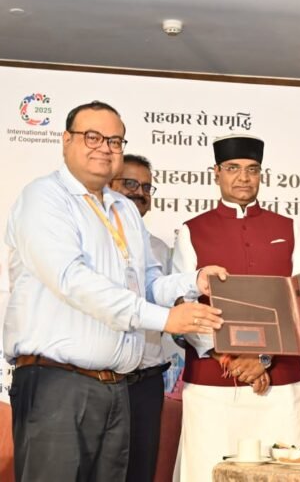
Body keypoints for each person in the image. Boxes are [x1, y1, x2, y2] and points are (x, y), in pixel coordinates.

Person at [3, 100, 225, 482]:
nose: (104, 148)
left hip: (115, 388)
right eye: (92, 137)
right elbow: (73, 281)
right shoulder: (44, 198)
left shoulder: (123, 209)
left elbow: (148, 284)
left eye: (115, 141)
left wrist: (194, 281)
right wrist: (166, 319)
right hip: (58, 384)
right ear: (66, 140)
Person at [172, 134, 300, 481]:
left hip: (280, 383)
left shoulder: (288, 229)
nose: (243, 178)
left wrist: (263, 358)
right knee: (208, 473)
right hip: (212, 386)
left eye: (252, 169)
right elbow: (184, 306)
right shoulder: (193, 231)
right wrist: (231, 359)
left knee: (284, 475)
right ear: (216, 173)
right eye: (233, 168)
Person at [110, 154, 172, 482]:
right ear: (108, 185)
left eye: (146, 187)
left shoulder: (159, 249)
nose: (139, 192)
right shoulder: (92, 242)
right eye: (130, 183)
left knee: (140, 472)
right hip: (103, 381)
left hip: (146, 383)